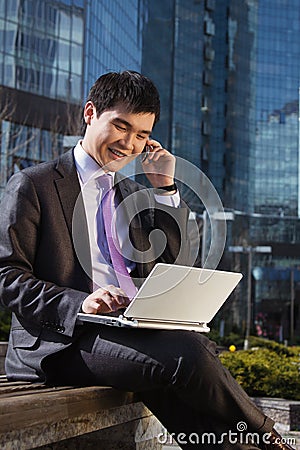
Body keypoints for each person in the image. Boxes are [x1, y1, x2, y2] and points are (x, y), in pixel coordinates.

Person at [0, 71, 293, 450]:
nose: (129, 144)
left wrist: (166, 189)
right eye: (121, 127)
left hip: (128, 332)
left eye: (141, 135)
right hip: (62, 341)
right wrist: (82, 302)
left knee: (186, 374)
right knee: (186, 355)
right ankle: (268, 437)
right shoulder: (34, 184)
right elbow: (7, 276)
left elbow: (171, 264)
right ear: (90, 113)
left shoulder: (134, 194)